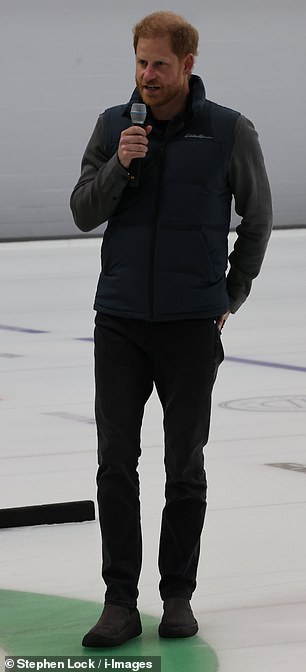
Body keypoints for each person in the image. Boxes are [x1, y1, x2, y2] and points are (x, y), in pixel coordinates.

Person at [70, 10, 272, 647]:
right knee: (114, 463)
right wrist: (119, 167)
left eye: (159, 64)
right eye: (139, 62)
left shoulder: (228, 131)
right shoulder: (113, 127)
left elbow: (259, 218)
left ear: (187, 64)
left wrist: (230, 294)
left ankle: (177, 597)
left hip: (190, 326)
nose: (146, 76)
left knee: (184, 465)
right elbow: (81, 210)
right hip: (121, 323)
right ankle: (120, 602)